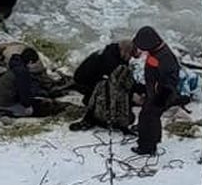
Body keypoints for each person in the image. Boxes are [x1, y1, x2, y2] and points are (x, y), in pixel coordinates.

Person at [68, 39, 138, 132]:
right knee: (108, 90)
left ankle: (89, 99)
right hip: (83, 83)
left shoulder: (113, 52)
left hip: (87, 79)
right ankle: (90, 109)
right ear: (125, 51)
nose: (130, 58)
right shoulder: (111, 61)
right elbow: (116, 85)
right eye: (130, 55)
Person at [131, 26, 181, 156]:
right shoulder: (155, 52)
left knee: (149, 116)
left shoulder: (165, 57)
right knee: (149, 116)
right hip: (153, 91)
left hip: (163, 94)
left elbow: (171, 80)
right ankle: (150, 136)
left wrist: (161, 98)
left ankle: (147, 147)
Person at [0, 48, 45, 117]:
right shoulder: (22, 73)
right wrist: (28, 105)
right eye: (35, 63)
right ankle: (7, 113)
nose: (35, 66)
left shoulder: (15, 64)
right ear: (30, 62)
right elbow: (24, 94)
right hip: (5, 102)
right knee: (30, 111)